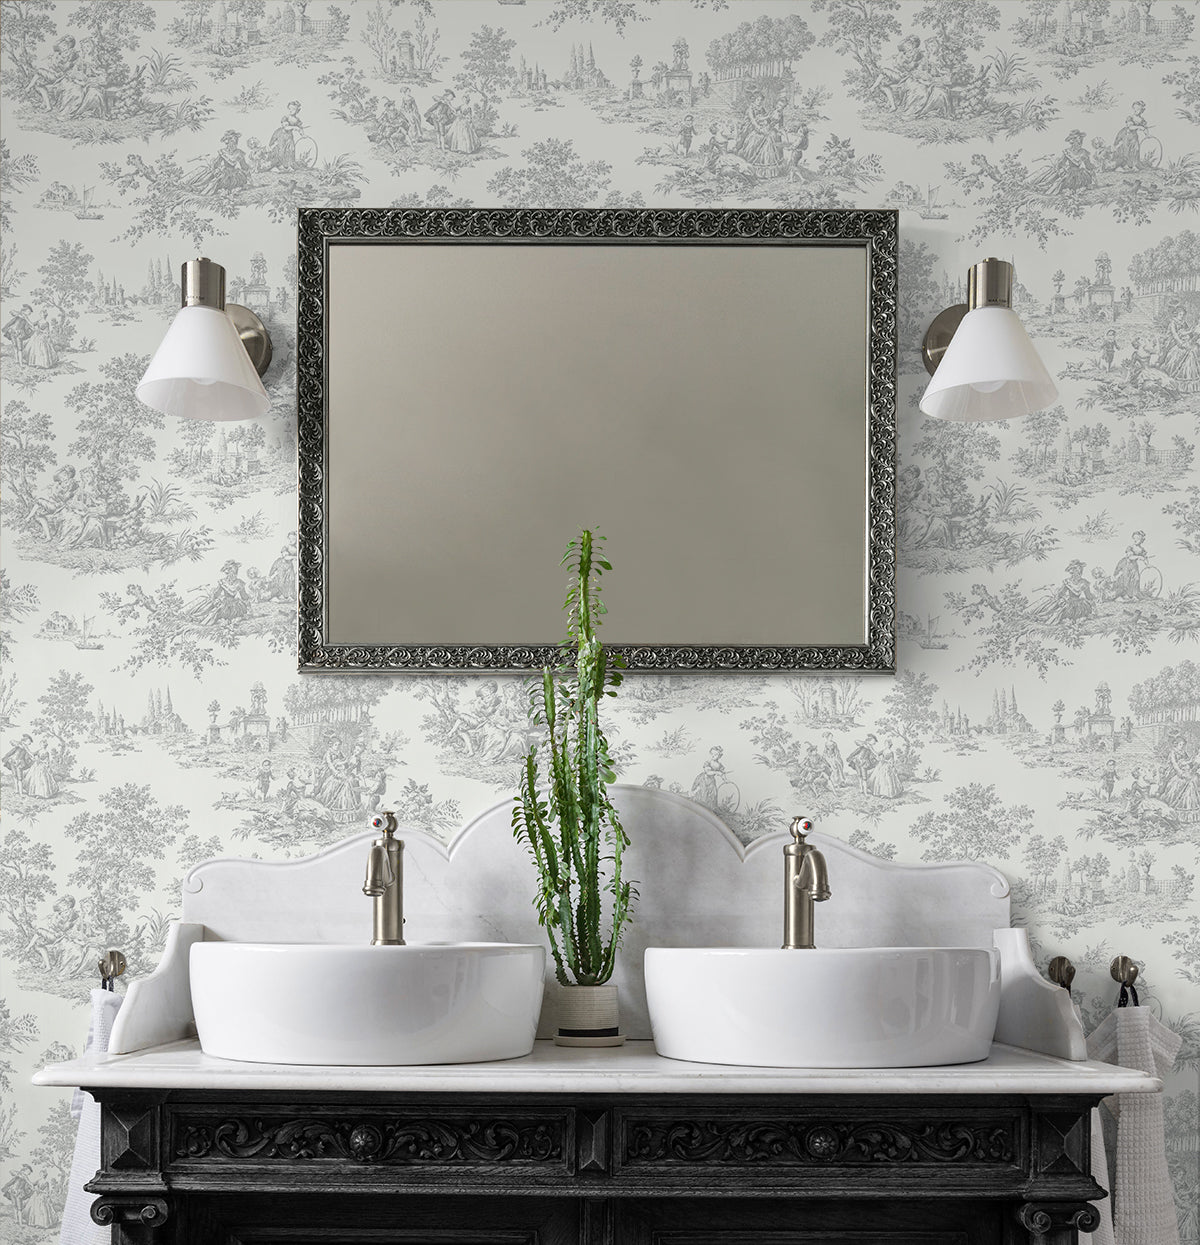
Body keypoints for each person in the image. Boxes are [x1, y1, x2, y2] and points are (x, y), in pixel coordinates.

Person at [264, 100, 304, 170]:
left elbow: (300, 128)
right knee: (281, 150)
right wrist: (294, 127)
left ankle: (289, 165)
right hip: (281, 135)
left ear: (298, 110)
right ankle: (280, 165)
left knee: (291, 149)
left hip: (289, 136)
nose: (291, 110)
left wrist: (302, 134)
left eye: (293, 109)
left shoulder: (297, 120)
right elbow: (285, 127)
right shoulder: (286, 117)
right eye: (290, 108)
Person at [1112, 100, 1149, 171]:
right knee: (1125, 149)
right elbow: (1130, 127)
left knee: (1135, 149)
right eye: (1135, 109)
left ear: (1142, 110)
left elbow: (1145, 127)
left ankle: (1134, 165)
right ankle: (1124, 165)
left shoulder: (1142, 119)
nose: (1136, 111)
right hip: (1125, 135)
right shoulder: (1130, 117)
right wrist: (1139, 127)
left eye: (1138, 109)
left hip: (1134, 136)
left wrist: (1147, 134)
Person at [1112, 532, 1149, 600]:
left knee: (1136, 579)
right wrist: (1138, 557)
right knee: (1126, 579)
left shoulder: (1142, 549)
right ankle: (1124, 594)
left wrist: (1147, 564)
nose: (1135, 540)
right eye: (1134, 538)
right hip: (1126, 565)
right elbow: (1130, 557)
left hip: (1134, 566)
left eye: (1138, 538)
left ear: (1142, 540)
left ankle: (1134, 595)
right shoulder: (1130, 547)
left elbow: (1145, 557)